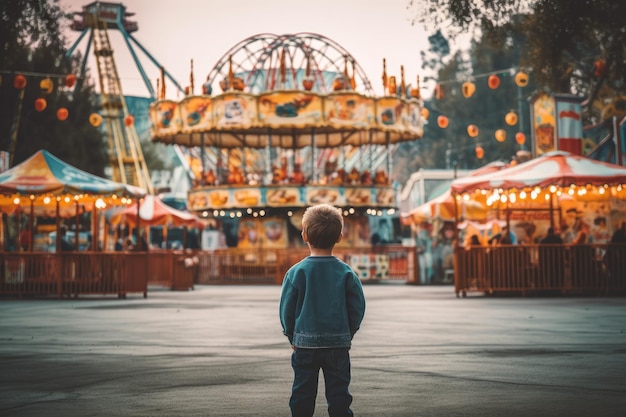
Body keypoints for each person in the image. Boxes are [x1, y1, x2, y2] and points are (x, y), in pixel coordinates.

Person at [279, 203, 366, 417]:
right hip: (338, 342)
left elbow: (286, 309)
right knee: (339, 393)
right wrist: (350, 331)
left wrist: (291, 335)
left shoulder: (296, 272)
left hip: (304, 344)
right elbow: (357, 306)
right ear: (339, 236)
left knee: (302, 391)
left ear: (304, 235)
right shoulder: (346, 273)